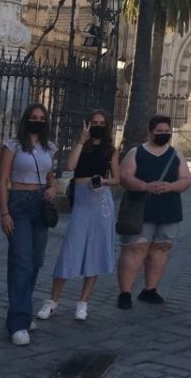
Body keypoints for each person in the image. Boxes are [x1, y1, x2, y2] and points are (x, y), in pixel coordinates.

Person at [38, 109, 119, 322]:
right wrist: (82, 141)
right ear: (87, 124)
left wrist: (104, 181)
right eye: (94, 122)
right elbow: (70, 166)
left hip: (101, 202)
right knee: (70, 249)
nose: (98, 125)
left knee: (95, 252)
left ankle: (83, 302)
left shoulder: (110, 149)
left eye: (102, 122)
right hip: (82, 201)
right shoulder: (81, 145)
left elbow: (117, 178)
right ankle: (53, 301)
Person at [116, 115, 191, 309]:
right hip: (141, 209)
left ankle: (150, 289)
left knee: (161, 248)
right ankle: (125, 292)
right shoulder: (136, 152)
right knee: (135, 249)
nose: (164, 134)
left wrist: (171, 186)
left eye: (167, 131)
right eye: (160, 131)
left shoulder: (176, 154)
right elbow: (125, 176)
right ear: (151, 132)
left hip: (168, 208)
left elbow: (186, 178)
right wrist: (145, 186)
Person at [0, 103, 57, 346]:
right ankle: (17, 321)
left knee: (35, 261)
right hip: (20, 204)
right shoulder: (12, 146)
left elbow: (50, 175)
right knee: (21, 262)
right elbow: (2, 181)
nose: (37, 120)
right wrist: (4, 213)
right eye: (33, 117)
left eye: (41, 118)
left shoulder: (49, 147)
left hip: (40, 204)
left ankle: (24, 310)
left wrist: (53, 188)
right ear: (26, 119)